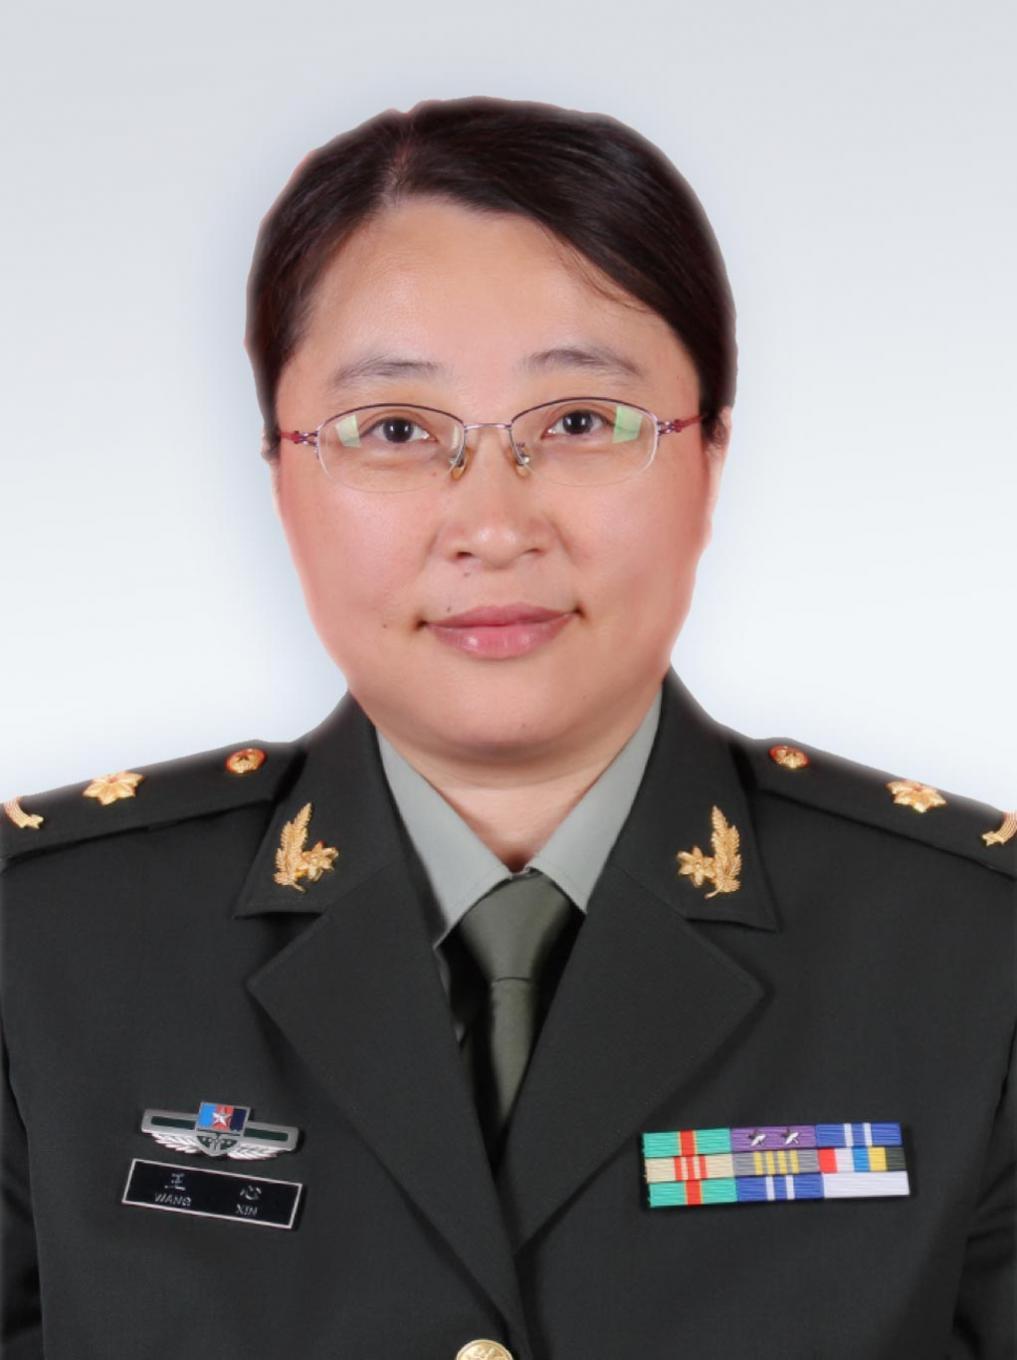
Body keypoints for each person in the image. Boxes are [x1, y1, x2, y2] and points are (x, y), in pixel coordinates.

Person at [1, 95, 1014, 1360]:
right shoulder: (39, 948)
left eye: (580, 422)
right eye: (395, 431)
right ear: (280, 471)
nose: (492, 525)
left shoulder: (977, 958)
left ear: (711, 455)